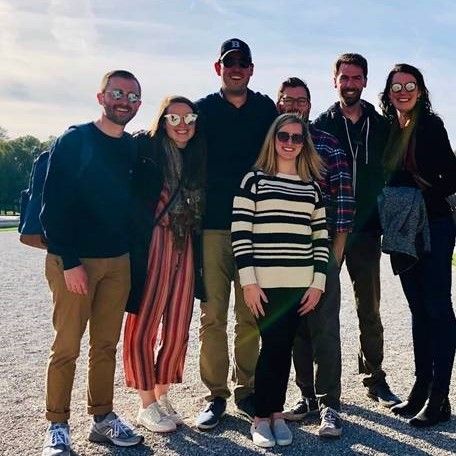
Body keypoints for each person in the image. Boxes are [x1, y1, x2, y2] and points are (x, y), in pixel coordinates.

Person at [40, 70, 144, 456]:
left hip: (117, 260)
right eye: (118, 92)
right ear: (101, 97)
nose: (125, 100)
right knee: (67, 344)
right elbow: (52, 207)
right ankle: (57, 424)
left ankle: (102, 418)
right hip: (74, 260)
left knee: (105, 345)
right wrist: (69, 261)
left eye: (132, 96)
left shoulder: (132, 148)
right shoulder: (75, 140)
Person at [232, 113, 329, 447]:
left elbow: (321, 239)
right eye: (283, 136)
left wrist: (318, 283)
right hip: (264, 284)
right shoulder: (253, 181)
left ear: (304, 144)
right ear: (273, 139)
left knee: (283, 347)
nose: (289, 143)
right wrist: (249, 282)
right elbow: (241, 234)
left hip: (300, 285)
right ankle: (261, 417)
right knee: (271, 347)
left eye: (296, 138)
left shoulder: (311, 186)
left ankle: (275, 414)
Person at [195, 38, 277, 430]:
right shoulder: (203, 110)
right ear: (219, 68)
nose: (236, 69)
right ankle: (215, 395)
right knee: (213, 316)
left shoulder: (265, 109)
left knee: (251, 315)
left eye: (243, 63)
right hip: (212, 225)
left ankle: (246, 388)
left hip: (257, 227)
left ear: (251, 69)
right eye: (230, 63)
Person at [313, 53, 400, 406]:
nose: (349, 84)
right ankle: (322, 390)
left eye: (356, 78)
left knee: (370, 307)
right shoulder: (319, 125)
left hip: (365, 229)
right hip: (329, 229)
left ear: (365, 81)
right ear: (334, 80)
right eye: (344, 78)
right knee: (323, 308)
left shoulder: (381, 126)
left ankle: (375, 377)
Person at [379, 64, 456, 427]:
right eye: (397, 86)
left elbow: (452, 176)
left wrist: (416, 200)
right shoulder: (388, 129)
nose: (403, 90)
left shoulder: (431, 125)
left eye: (410, 85)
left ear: (421, 91)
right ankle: (420, 389)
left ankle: (440, 397)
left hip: (435, 226)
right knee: (417, 311)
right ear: (389, 91)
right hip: (402, 231)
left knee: (438, 308)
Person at [277, 77, 355, 436]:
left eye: (301, 100)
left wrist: (333, 260)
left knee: (324, 330)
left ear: (309, 105)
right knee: (296, 331)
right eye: (288, 100)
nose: (295, 105)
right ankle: (306, 397)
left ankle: (330, 406)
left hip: (319, 251)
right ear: (279, 104)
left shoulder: (328, 145)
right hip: (281, 253)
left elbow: (343, 207)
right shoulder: (271, 146)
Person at [123, 96, 206, 433]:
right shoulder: (147, 149)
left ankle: (161, 393)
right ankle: (146, 402)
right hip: (154, 241)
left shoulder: (198, 156)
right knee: (144, 323)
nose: (182, 124)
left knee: (177, 326)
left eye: (188, 117)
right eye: (174, 118)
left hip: (186, 242)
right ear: (163, 120)